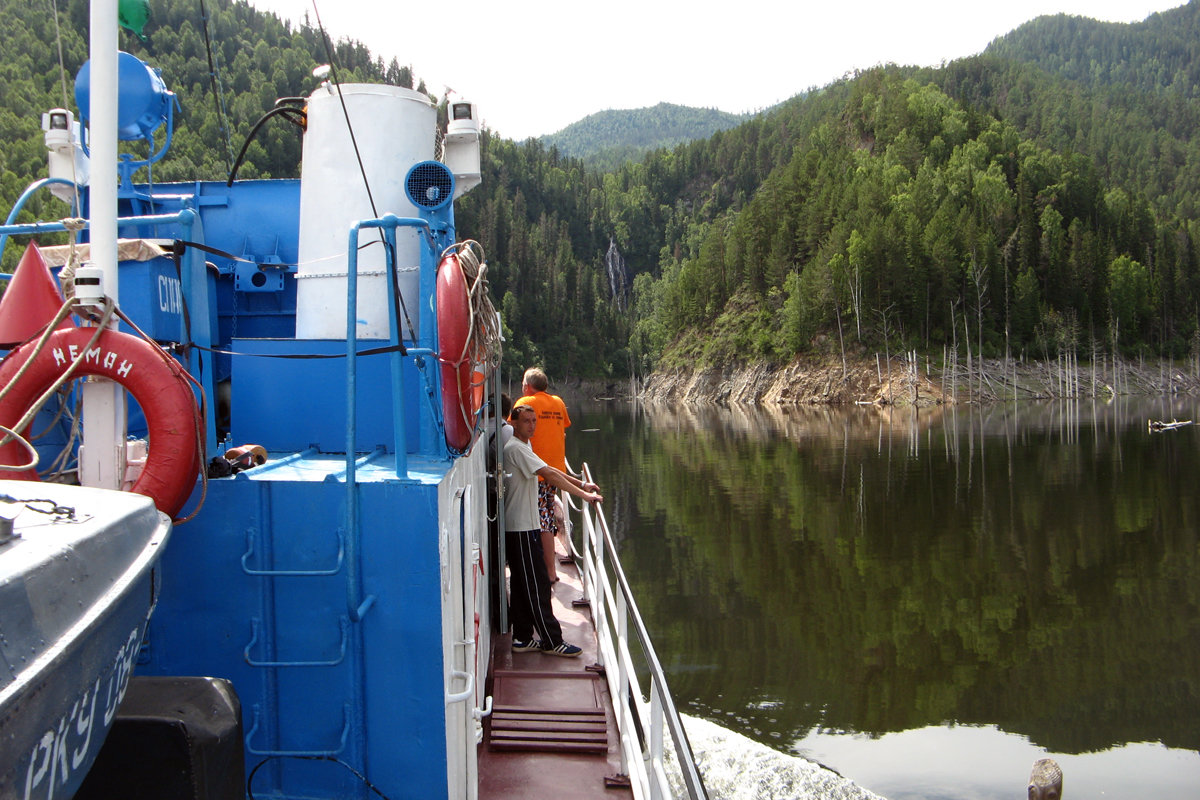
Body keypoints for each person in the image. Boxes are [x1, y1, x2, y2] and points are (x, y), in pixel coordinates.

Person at [503, 404, 601, 657]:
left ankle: (523, 638)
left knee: (525, 586)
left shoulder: (525, 446)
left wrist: (581, 483)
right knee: (538, 586)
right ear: (514, 424)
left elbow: (550, 469)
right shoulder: (515, 448)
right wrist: (583, 495)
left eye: (534, 421)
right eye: (526, 421)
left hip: (528, 526)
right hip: (520, 528)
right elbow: (547, 474)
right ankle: (552, 641)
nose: (532, 425)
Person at [514, 367, 571, 580]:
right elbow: (563, 426)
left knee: (543, 520)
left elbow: (511, 428)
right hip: (555, 470)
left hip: (535, 471)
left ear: (527, 386)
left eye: (522, 385)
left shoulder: (525, 404)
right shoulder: (558, 402)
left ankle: (550, 572)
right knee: (547, 511)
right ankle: (548, 564)